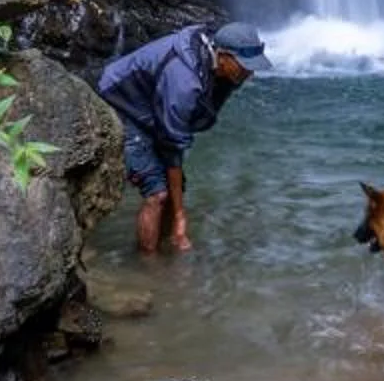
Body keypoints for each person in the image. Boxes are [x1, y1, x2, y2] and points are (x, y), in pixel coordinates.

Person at [95, 18, 265, 254]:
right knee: (158, 192)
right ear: (223, 55)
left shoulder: (220, 65)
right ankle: (149, 268)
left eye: (252, 66)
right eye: (244, 66)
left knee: (174, 186)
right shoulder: (185, 80)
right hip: (120, 102)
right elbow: (173, 145)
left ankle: (165, 250)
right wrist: (180, 217)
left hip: (152, 108)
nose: (249, 73)